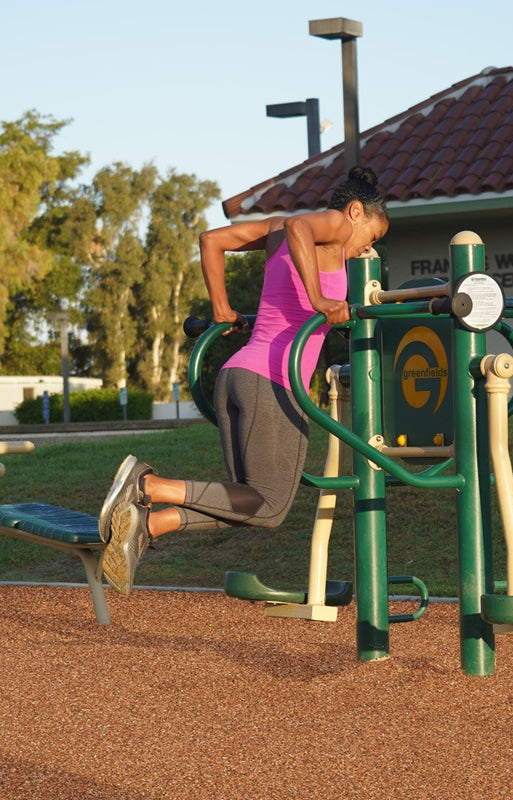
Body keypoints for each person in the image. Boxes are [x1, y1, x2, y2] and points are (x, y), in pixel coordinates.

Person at [98, 166, 389, 595]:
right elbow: (297, 225)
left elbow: (211, 240)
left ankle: (151, 524)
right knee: (270, 505)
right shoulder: (333, 225)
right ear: (356, 211)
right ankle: (147, 484)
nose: (369, 247)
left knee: (247, 503)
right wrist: (320, 300)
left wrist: (222, 307)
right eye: (374, 236)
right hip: (273, 383)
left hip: (235, 377)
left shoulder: (278, 232)